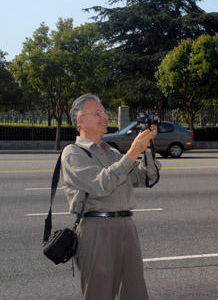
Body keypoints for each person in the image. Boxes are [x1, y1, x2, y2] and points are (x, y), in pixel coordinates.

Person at [61, 93, 161, 300]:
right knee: (100, 292)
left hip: (126, 226)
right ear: (80, 120)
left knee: (135, 290)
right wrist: (133, 152)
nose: (105, 116)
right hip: (96, 227)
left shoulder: (113, 153)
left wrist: (148, 147)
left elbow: (146, 178)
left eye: (104, 112)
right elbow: (102, 184)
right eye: (97, 113)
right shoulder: (73, 153)